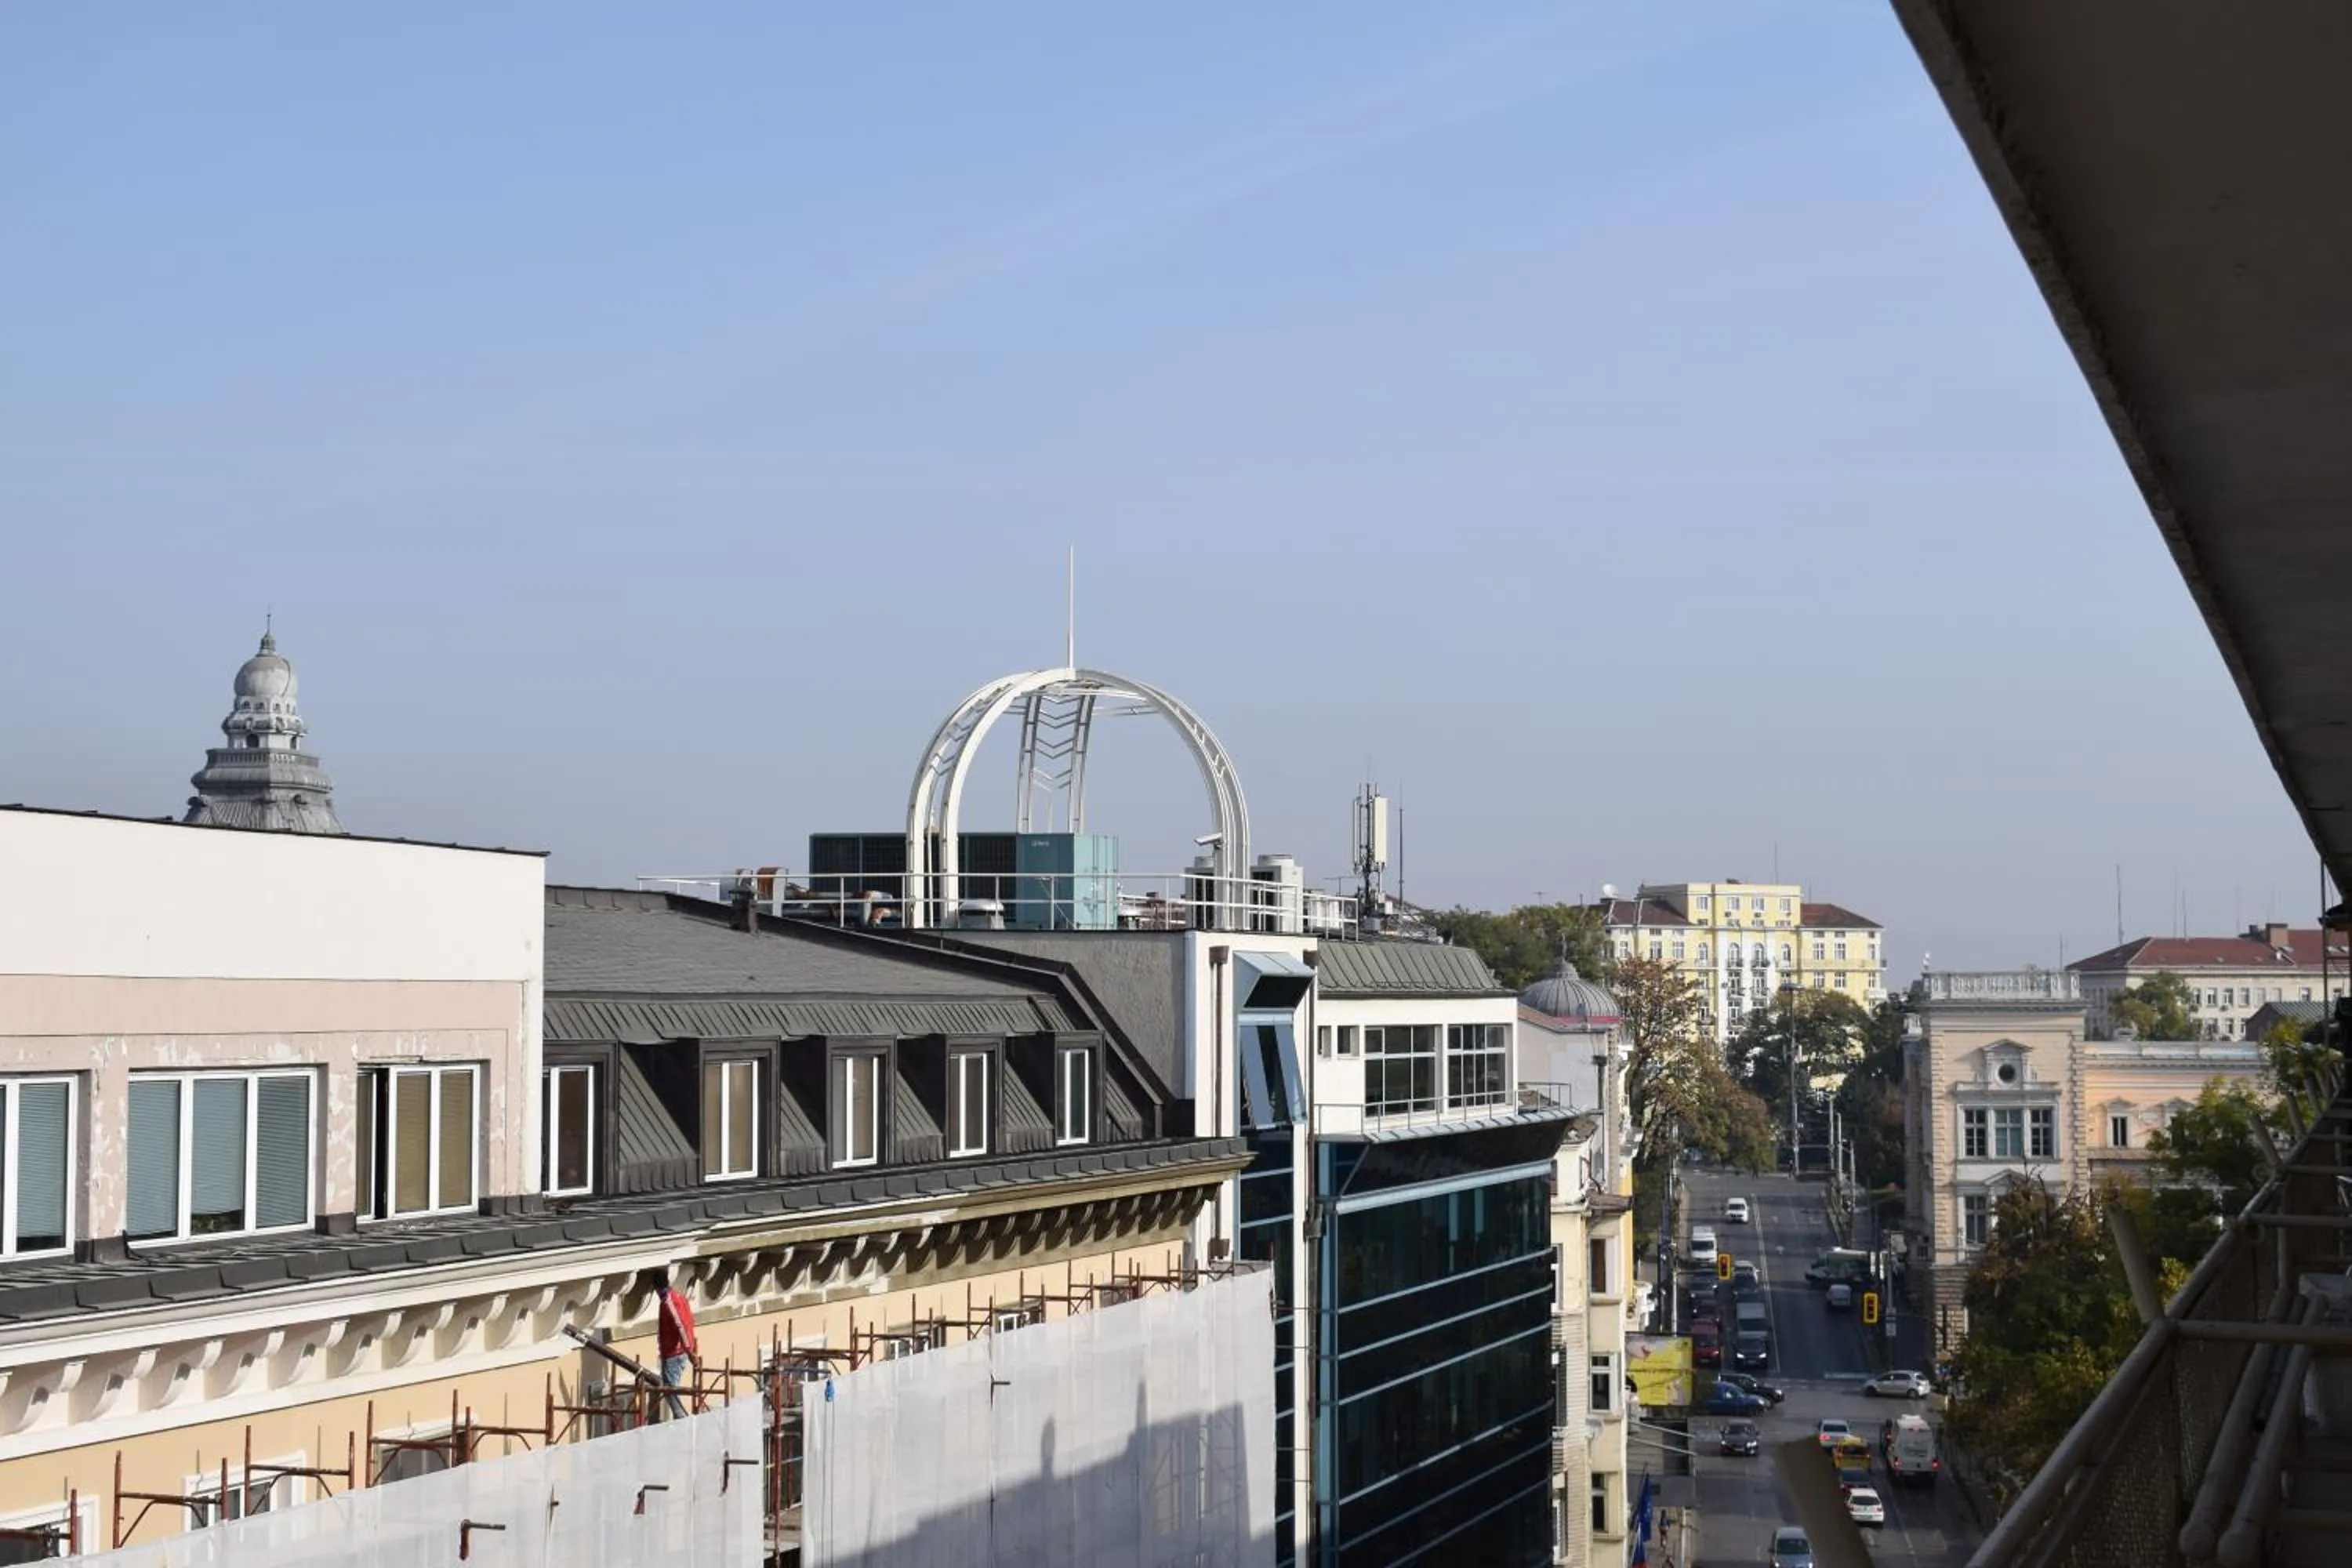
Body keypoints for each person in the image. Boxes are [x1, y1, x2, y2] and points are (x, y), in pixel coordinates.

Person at [649, 1269, 698, 1420]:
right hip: (678, 1352)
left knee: (669, 1390)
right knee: (671, 1389)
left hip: (674, 1353)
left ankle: (682, 1419)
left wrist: (690, 1351)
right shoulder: (678, 1297)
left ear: (656, 1287)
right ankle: (681, 1417)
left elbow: (680, 1325)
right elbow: (689, 1320)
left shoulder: (669, 1301)